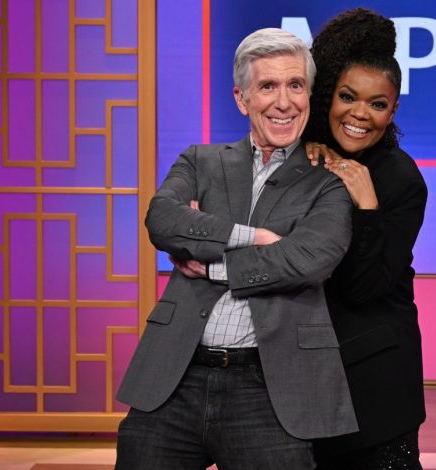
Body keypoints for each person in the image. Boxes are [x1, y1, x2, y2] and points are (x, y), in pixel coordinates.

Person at [115, 28, 357, 469]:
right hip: (174, 377)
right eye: (267, 86)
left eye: (295, 85)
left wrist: (210, 265)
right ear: (242, 99)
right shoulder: (200, 161)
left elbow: (306, 260)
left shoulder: (330, 183)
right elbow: (164, 220)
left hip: (269, 388)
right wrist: (257, 238)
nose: (284, 102)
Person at [303, 8, 429, 470]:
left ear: (393, 110)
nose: (360, 114)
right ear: (327, 97)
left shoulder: (400, 178)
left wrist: (367, 205)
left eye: (377, 104)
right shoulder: (305, 157)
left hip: (375, 384)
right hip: (303, 379)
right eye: (348, 97)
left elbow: (364, 289)